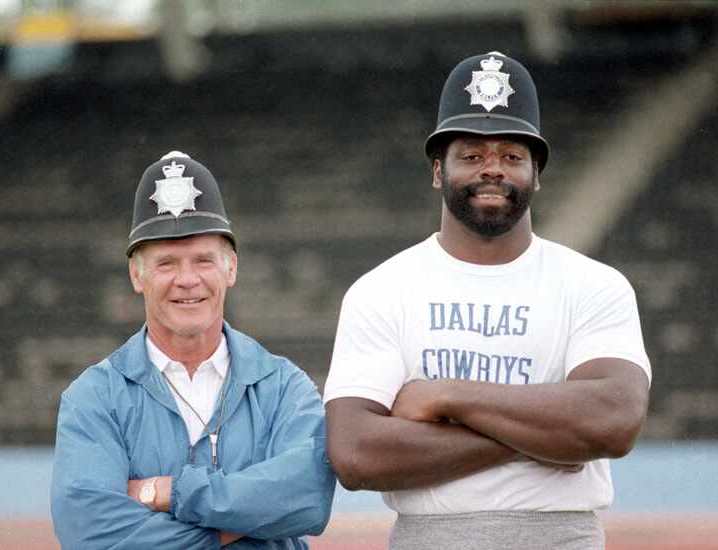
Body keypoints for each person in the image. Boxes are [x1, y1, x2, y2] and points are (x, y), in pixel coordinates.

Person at [323, 52, 651, 550]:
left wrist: (446, 396)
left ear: (536, 172)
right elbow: (354, 454)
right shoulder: (381, 289)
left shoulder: (594, 285)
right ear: (438, 170)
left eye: (512, 156)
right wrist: (545, 440)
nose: (492, 169)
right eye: (472, 155)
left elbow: (615, 420)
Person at [51, 151, 335, 549]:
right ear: (137, 274)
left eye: (203, 260)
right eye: (166, 263)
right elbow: (89, 533)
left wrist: (171, 493)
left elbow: (306, 499)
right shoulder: (95, 398)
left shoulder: (284, 387)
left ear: (230, 268)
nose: (187, 280)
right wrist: (238, 527)